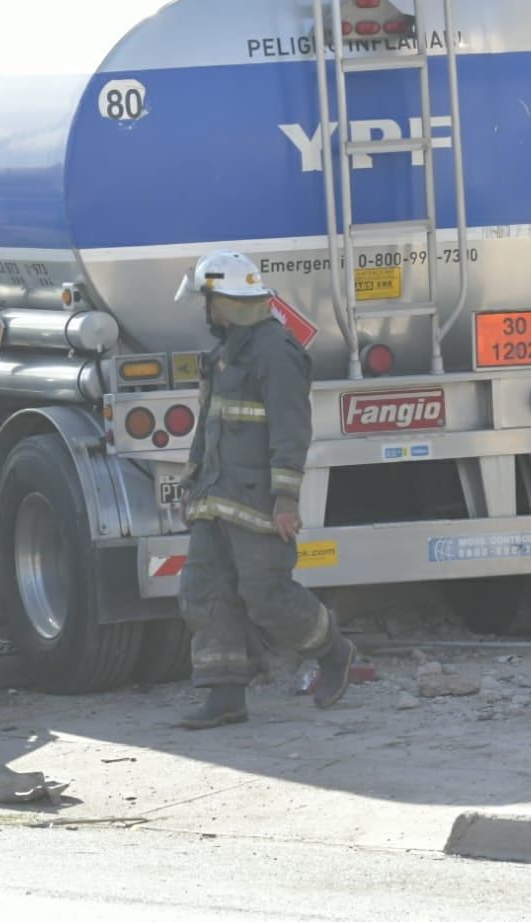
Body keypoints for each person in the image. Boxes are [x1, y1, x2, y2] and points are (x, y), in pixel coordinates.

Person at [171, 250, 355, 729]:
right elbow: (207, 427)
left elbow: (292, 429)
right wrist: (192, 484)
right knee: (203, 591)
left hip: (257, 502)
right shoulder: (223, 356)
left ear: (224, 303)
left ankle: (334, 652)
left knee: (267, 595)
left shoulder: (276, 351)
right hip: (215, 496)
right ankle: (225, 696)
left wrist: (286, 499)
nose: (204, 310)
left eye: (207, 300)